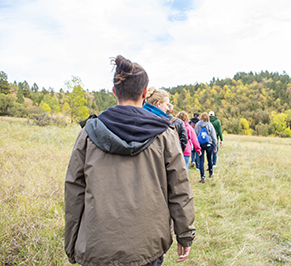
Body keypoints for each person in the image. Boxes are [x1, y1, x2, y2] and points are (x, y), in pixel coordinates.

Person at [64, 55, 195, 266]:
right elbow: (179, 188)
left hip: (98, 245)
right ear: (145, 93)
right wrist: (185, 234)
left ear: (114, 92)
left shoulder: (89, 133)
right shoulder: (165, 134)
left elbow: (74, 191)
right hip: (148, 246)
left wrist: (71, 243)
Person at [194, 112, 218, 183]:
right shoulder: (210, 125)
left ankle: (202, 176)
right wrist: (215, 146)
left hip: (200, 144)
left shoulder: (198, 124)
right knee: (209, 158)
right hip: (209, 144)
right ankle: (210, 172)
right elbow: (214, 136)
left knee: (201, 160)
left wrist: (196, 145)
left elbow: (195, 134)